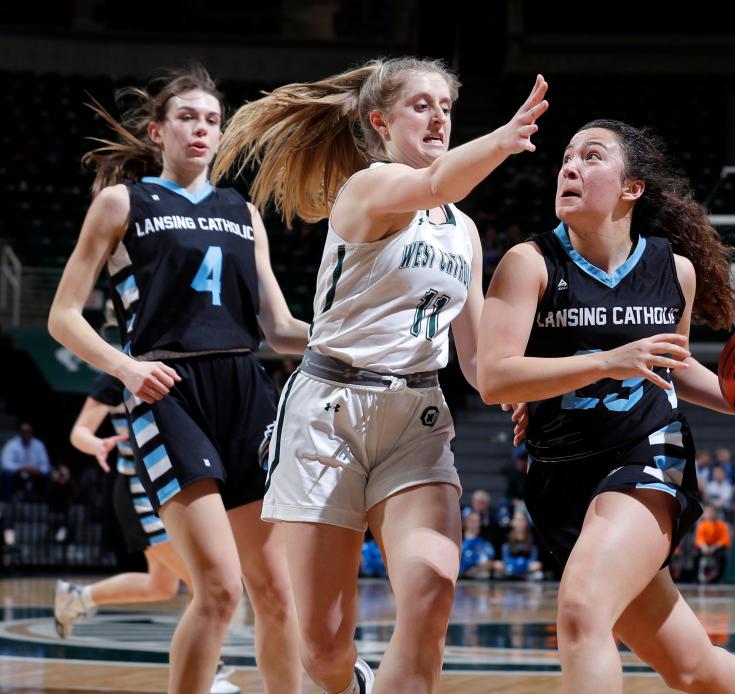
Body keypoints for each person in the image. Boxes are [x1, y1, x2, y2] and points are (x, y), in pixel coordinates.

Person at [212, 57, 546, 694]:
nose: (439, 117)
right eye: (421, 105)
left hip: (415, 420)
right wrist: (504, 139)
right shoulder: (368, 188)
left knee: (432, 593)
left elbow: (477, 364)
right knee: (324, 647)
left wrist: (523, 390)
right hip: (327, 414)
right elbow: (438, 184)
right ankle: (354, 681)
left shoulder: (465, 232)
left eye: (446, 107)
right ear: (380, 121)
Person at [478, 119, 735, 692]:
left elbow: (672, 368)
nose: (569, 167)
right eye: (565, 158)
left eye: (591, 157)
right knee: (692, 668)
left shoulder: (672, 271)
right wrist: (606, 361)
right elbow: (494, 379)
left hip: (646, 456)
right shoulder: (529, 263)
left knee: (583, 610)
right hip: (559, 474)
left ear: (631, 187)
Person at [47, 64, 305, 693]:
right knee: (218, 589)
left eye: (211, 120)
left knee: (275, 593)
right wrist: (126, 368)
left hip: (247, 391)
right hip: (169, 391)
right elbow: (62, 316)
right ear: (157, 131)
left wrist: (355, 336)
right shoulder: (122, 202)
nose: (201, 128)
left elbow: (279, 328)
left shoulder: (243, 210)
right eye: (186, 117)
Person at [58, 373, 240, 693]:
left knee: (162, 586)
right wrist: (97, 443)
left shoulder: (188, 365)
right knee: (207, 583)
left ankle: (77, 598)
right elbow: (79, 431)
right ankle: (209, 673)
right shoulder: (117, 373)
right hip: (139, 490)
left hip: (173, 484)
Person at [1, 422, 51, 502]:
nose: (26, 434)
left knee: (48, 473)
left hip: (35, 473)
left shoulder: (39, 445)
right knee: (7, 474)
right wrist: (21, 468)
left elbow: (45, 464)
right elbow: (6, 464)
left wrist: (38, 470)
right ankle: (7, 503)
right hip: (18, 472)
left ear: (31, 432)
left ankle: (42, 502)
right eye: (24, 432)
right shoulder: (11, 444)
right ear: (20, 432)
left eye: (28, 432)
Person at [494, 509, 544, 581]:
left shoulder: (532, 538)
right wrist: (515, 564)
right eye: (517, 520)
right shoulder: (507, 537)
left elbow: (534, 559)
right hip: (510, 566)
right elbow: (505, 557)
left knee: (538, 568)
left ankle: (518, 575)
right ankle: (516, 575)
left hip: (526, 567)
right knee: (498, 565)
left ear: (526, 522)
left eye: (522, 520)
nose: (519, 523)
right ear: (513, 522)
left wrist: (523, 564)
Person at [693, 504, 731, 584]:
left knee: (722, 555)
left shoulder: (721, 525)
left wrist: (714, 547)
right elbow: (699, 539)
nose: (709, 514)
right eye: (707, 512)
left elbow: (724, 539)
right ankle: (696, 577)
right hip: (705, 547)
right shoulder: (703, 525)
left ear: (715, 513)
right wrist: (704, 547)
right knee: (696, 554)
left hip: (716, 548)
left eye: (711, 512)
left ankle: (720, 577)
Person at [460, 511, 496, 579]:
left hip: (479, 581)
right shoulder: (459, 541)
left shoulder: (485, 543)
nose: (474, 524)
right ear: (465, 522)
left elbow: (490, 562)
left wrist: (475, 570)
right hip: (459, 581)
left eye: (477, 521)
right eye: (472, 521)